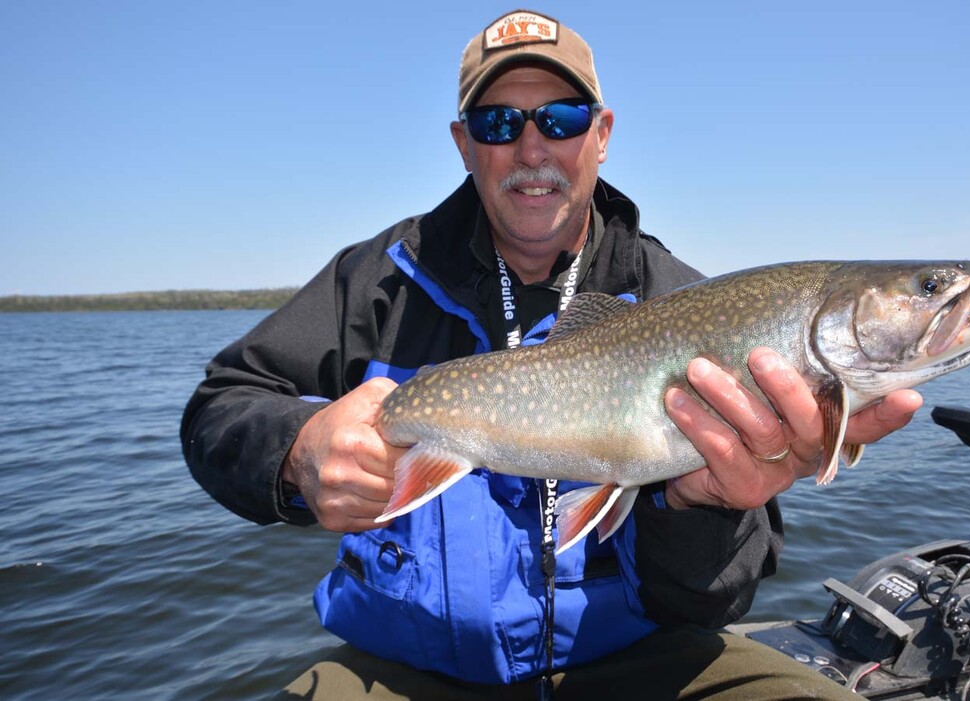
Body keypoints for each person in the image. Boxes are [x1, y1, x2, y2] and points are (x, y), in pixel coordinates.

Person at [181, 9, 921, 700]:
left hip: (634, 658)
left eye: (560, 119)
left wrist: (703, 506)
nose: (531, 149)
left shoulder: (685, 304)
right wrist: (295, 450)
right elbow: (219, 405)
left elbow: (714, 599)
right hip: (399, 668)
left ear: (600, 134)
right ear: (463, 142)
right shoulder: (375, 281)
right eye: (498, 122)